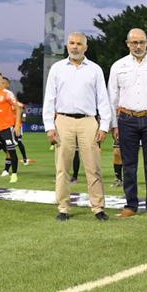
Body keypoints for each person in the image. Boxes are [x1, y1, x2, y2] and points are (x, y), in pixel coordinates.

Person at [43, 32, 111, 221]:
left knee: (93, 167)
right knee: (62, 167)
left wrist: (104, 126)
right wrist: (49, 126)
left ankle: (98, 207)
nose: (75, 47)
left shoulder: (95, 69)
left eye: (79, 44)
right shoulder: (57, 68)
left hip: (88, 121)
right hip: (63, 120)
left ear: (85, 47)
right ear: (67, 46)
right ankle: (63, 207)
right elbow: (49, 98)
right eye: (72, 43)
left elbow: (103, 99)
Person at [108, 28, 147, 220]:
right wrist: (114, 124)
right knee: (129, 165)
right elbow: (112, 97)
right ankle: (131, 205)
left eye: (141, 42)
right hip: (126, 119)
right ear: (127, 44)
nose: (138, 46)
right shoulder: (118, 66)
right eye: (134, 42)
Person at [2, 77, 29, 166]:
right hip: (7, 125)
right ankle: (10, 161)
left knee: (19, 141)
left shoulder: (11, 96)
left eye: (4, 83)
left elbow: (21, 108)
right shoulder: (1, 96)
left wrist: (23, 116)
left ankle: (25, 158)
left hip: (16, 125)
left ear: (8, 84)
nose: (3, 85)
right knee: (7, 143)